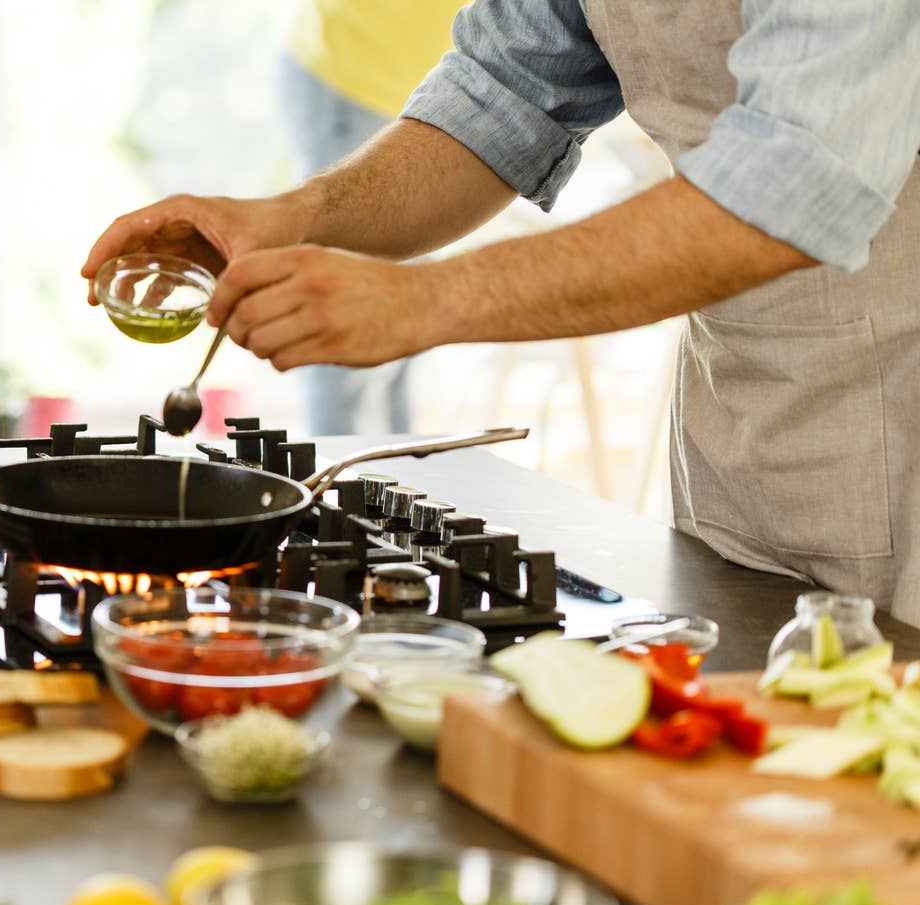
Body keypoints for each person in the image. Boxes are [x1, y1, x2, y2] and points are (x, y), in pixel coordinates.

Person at [81, 1, 920, 624]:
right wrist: (298, 216)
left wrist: (429, 300)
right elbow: (503, 90)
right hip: (754, 398)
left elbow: (798, 178)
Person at [280, 0, 463, 436]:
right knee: (346, 320)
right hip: (358, 76)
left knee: (396, 320)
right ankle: (337, 488)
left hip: (437, 87)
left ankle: (394, 481)